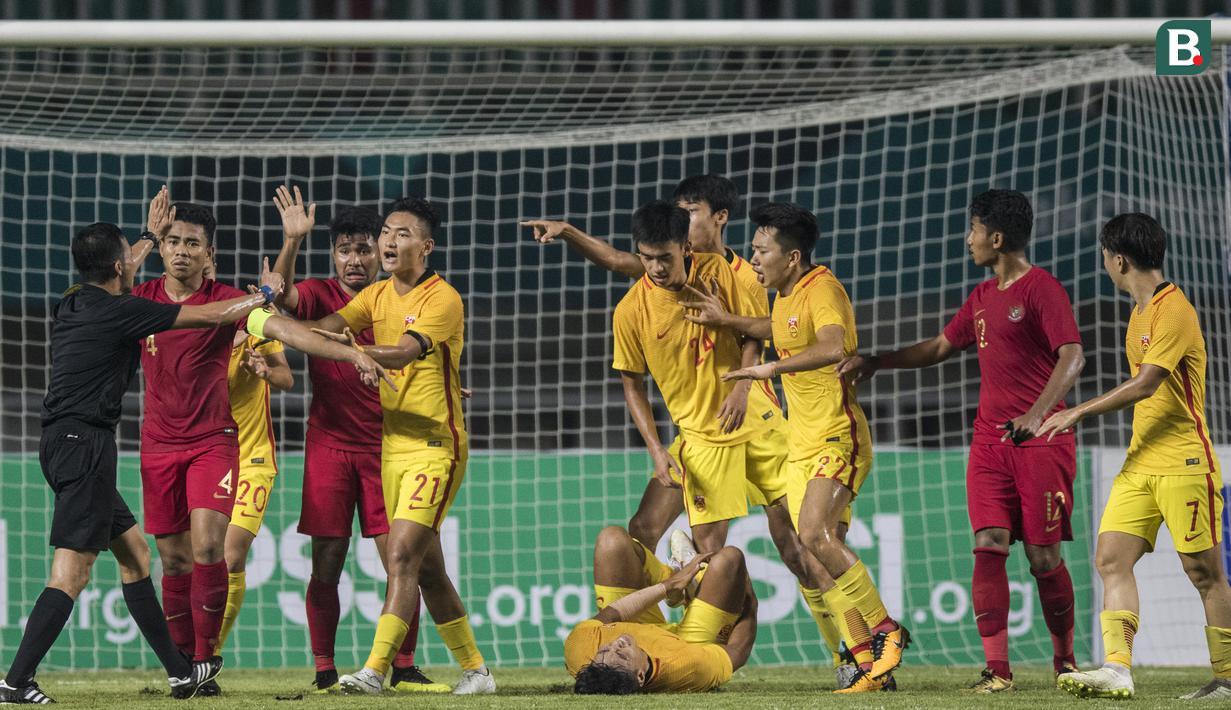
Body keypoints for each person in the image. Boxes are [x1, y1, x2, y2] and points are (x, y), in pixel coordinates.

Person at [0, 211, 283, 703]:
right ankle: (15, 680)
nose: (136, 264)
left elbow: (120, 269)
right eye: (130, 257)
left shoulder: (72, 302)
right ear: (115, 268)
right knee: (72, 572)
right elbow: (211, 315)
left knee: (136, 556)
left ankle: (180, 673)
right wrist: (266, 295)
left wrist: (149, 239)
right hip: (83, 446)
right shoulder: (126, 310)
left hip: (64, 443)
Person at [131, 188, 390, 677]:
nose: (182, 250)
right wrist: (146, 234)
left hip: (216, 444)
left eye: (193, 243)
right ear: (161, 247)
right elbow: (106, 288)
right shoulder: (139, 301)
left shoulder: (232, 303)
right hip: (158, 447)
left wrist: (352, 352)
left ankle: (205, 661)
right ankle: (181, 667)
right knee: (174, 561)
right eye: (172, 241)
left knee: (214, 550)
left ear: (210, 253)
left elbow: (290, 332)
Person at [838, 190, 1083, 691]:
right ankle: (997, 670)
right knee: (988, 544)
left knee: (1043, 559)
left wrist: (1038, 416)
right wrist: (879, 361)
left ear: (995, 237)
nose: (966, 239)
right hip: (989, 446)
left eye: (972, 230)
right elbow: (939, 347)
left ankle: (1066, 661)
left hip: (1041, 444)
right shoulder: (981, 296)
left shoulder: (1043, 290)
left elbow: (1073, 357)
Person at [303, 197, 495, 695]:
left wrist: (355, 351)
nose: (389, 241)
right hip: (392, 447)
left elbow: (406, 352)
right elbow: (329, 327)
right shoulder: (378, 295)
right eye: (387, 232)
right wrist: (274, 333)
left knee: (402, 557)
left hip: (436, 445)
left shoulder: (442, 299)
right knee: (428, 570)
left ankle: (375, 670)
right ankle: (477, 671)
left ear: (426, 246)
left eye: (402, 234)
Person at [1039, 213, 1231, 701]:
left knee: (1204, 574)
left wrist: (1076, 412)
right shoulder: (1140, 310)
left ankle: (1228, 678)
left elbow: (1147, 384)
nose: (1104, 265)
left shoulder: (1174, 311)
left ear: (1118, 258)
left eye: (1105, 257)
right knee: (1110, 559)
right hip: (1140, 462)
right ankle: (1117, 669)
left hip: (1185, 463)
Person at [724, 203, 907, 689]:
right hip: (800, 443)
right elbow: (779, 328)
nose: (754, 258)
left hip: (836, 434)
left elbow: (833, 346)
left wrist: (769, 369)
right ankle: (870, 665)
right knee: (823, 551)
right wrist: (730, 318)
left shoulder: (822, 288)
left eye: (762, 251)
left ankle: (885, 630)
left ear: (793, 256)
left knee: (814, 535)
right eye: (754, 249)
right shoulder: (783, 294)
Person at [270, 187, 445, 693]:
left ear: (381, 251)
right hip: (328, 447)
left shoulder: (401, 298)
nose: (354, 259)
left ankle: (404, 666)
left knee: (401, 559)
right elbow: (281, 301)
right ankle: (324, 669)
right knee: (327, 562)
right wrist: (291, 240)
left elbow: (426, 353)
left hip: (391, 447)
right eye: (344, 250)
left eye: (364, 248)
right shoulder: (322, 295)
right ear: (334, 255)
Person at [564, 526, 756, 694]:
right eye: (622, 654)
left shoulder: (582, 652)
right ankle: (694, 584)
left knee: (611, 540)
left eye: (605, 648)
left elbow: (614, 613)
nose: (617, 643)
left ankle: (679, 583)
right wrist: (751, 606)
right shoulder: (687, 669)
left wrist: (668, 586)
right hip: (688, 642)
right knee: (730, 559)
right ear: (640, 676)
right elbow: (738, 651)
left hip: (633, 622)